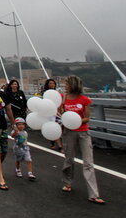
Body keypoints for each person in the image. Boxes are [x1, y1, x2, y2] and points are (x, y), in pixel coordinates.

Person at [59, 75, 104, 204]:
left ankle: (93, 194)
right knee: (69, 159)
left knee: (88, 163)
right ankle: (67, 183)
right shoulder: (63, 99)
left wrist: (75, 121)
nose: (65, 86)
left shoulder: (85, 100)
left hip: (83, 132)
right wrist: (65, 121)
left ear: (73, 85)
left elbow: (87, 118)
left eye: (66, 84)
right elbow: (61, 114)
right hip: (69, 133)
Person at [40, 78, 63, 151]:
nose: (52, 84)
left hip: (58, 113)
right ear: (47, 85)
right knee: (54, 127)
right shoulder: (45, 93)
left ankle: (53, 141)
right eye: (50, 83)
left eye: (53, 83)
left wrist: (60, 112)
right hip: (50, 113)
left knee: (58, 128)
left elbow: (60, 103)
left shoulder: (57, 93)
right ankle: (60, 146)